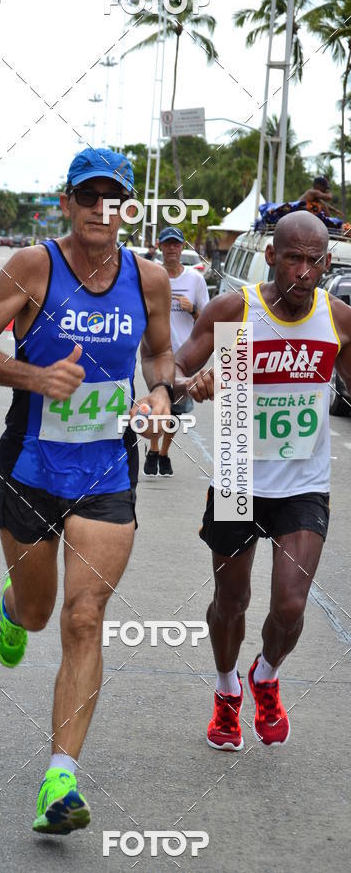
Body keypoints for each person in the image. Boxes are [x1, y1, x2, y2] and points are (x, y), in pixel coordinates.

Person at [0, 147, 173, 834]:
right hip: (30, 467)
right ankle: (12, 607)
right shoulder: (33, 267)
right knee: (38, 612)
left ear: (128, 209)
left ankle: (60, 778)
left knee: (84, 618)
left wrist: (161, 395)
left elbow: (159, 355)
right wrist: (35, 377)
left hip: (107, 469)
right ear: (67, 202)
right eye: (87, 196)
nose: (99, 210)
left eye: (113, 199)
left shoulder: (148, 279)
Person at [170, 210, 351, 750]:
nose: (303, 271)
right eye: (292, 258)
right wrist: (191, 383)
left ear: (326, 263)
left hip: (303, 484)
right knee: (231, 602)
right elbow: (172, 369)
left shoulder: (337, 318)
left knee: (290, 606)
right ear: (271, 256)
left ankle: (266, 675)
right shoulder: (235, 311)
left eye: (314, 261)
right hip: (237, 476)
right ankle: (227, 689)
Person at [143, 226, 209, 477]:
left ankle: (163, 453)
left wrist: (192, 310)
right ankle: (153, 449)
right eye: (167, 244)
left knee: (175, 410)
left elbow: (207, 321)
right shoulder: (151, 276)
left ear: (182, 247)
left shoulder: (195, 280)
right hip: (156, 353)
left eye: (176, 244)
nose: (172, 248)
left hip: (184, 357)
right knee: (159, 403)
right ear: (160, 246)